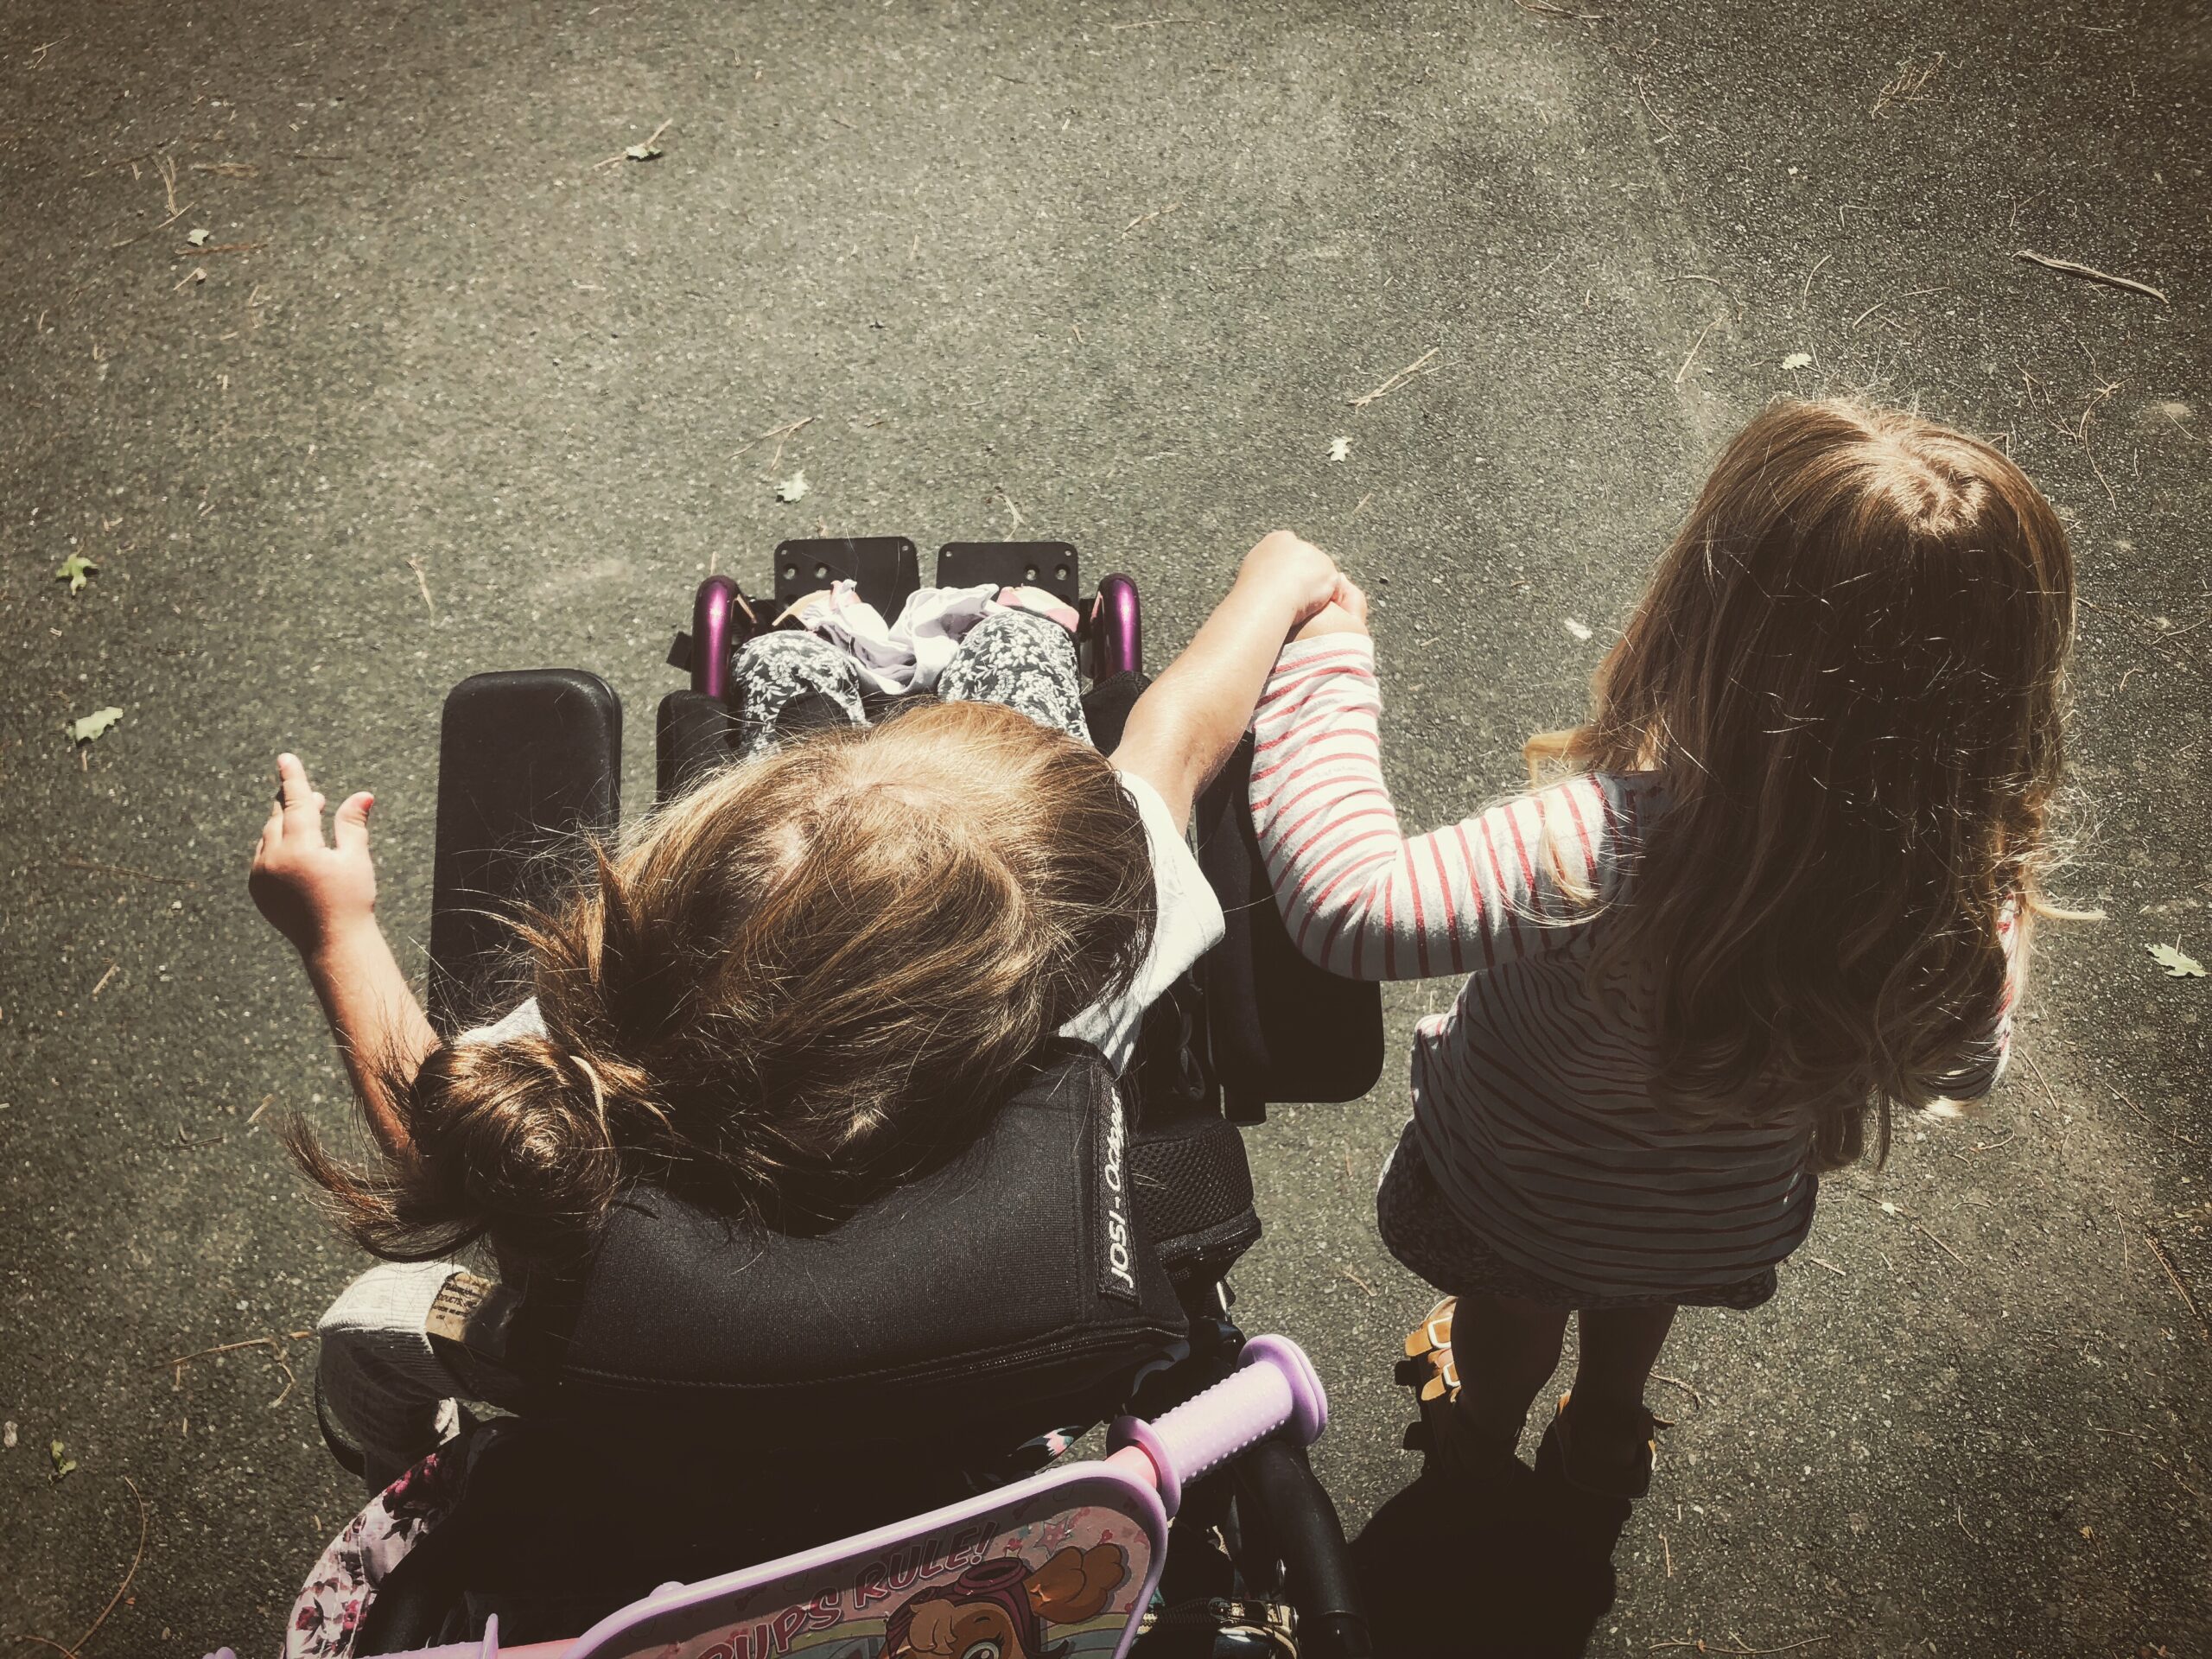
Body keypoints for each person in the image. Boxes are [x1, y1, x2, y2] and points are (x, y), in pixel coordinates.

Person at [247, 534, 1351, 1495]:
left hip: (667, 1420)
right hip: (988, 1419)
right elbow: (1177, 735)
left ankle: (419, 1475)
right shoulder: (1091, 981)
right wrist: (1281, 576)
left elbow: (427, 1133)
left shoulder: (605, 1061)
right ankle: (1009, 640)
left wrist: (333, 928)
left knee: (373, 1323)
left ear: (664, 918)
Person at [1250, 400, 2074, 1552]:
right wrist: (2003, 911)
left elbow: (1352, 909)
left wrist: (1323, 654)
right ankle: (1606, 1427)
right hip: (1705, 1224)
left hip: (1522, 1194)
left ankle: (1482, 1434)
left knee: (1515, 1311)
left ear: (1709, 615)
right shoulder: (1937, 903)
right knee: (1636, 1294)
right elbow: (1967, 1063)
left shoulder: (1609, 845)